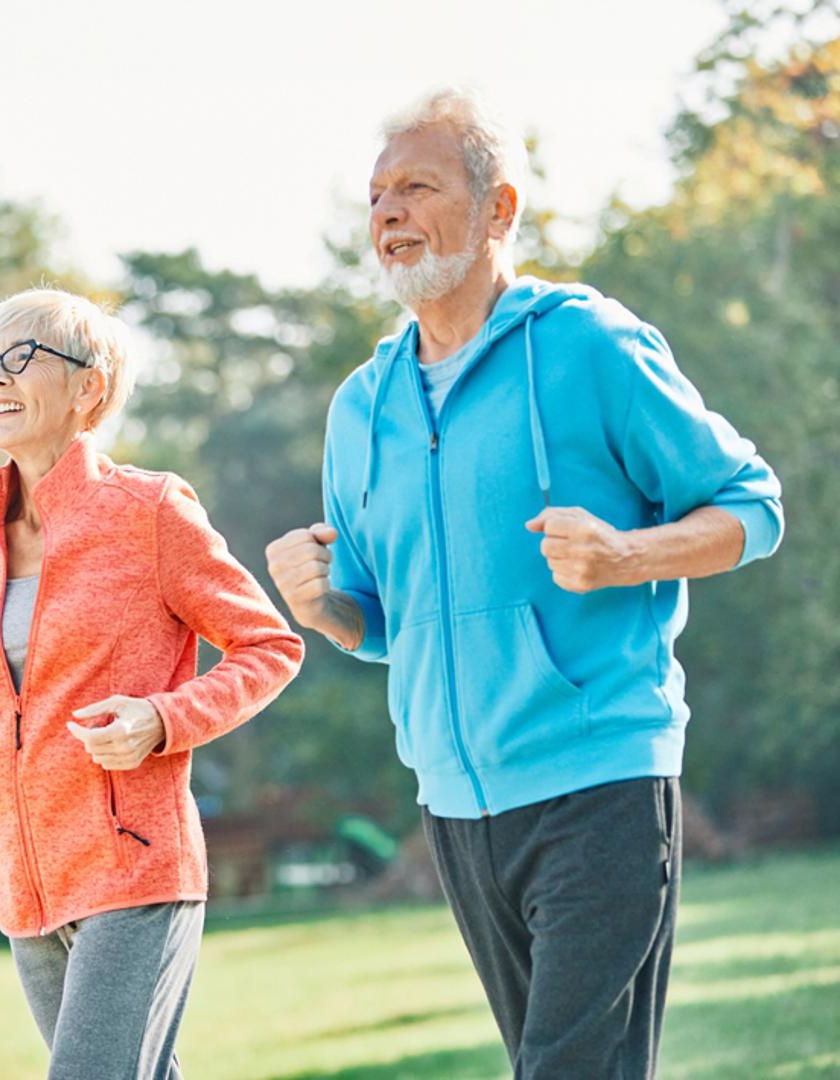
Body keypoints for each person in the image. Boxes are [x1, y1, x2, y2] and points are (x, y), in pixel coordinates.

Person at [265, 88, 783, 1079]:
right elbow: (384, 620)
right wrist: (323, 609)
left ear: (498, 208)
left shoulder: (590, 345)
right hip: (455, 808)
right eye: (375, 197)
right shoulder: (360, 408)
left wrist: (628, 555)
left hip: (600, 778)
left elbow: (750, 506)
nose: (387, 214)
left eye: (417, 188)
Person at [0, 287, 304, 1079]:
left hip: (134, 870)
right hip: (26, 890)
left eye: (22, 357)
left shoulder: (149, 511)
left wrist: (162, 719)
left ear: (88, 388)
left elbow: (269, 646)